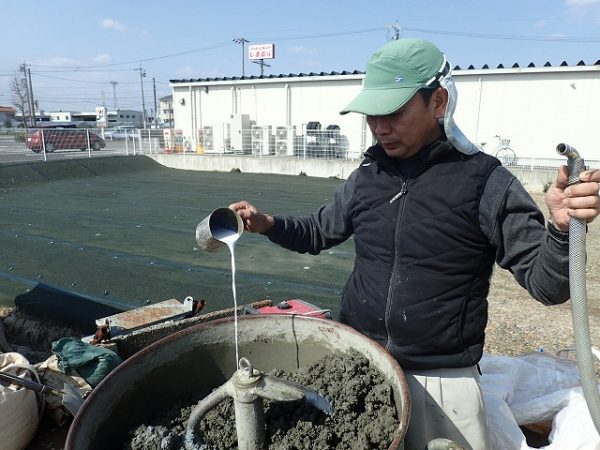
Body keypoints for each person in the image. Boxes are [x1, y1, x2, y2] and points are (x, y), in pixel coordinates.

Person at [229, 38, 600, 449]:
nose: (379, 126)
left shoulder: (485, 182)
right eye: (372, 114)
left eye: (394, 112)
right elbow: (320, 230)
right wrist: (267, 224)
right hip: (359, 365)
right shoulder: (369, 175)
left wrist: (563, 230)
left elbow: (548, 285)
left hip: (440, 383)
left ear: (438, 101)